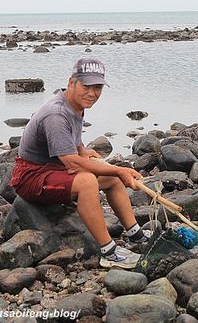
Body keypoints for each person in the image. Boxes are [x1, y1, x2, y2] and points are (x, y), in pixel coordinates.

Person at [10, 58, 149, 269]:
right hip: (31, 176)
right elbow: (72, 163)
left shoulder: (75, 104)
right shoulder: (56, 113)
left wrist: (84, 151)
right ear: (71, 82)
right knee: (87, 182)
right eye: (86, 86)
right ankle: (108, 252)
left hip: (54, 169)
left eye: (97, 87)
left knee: (111, 177)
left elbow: (72, 141)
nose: (92, 93)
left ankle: (135, 234)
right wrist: (119, 169)